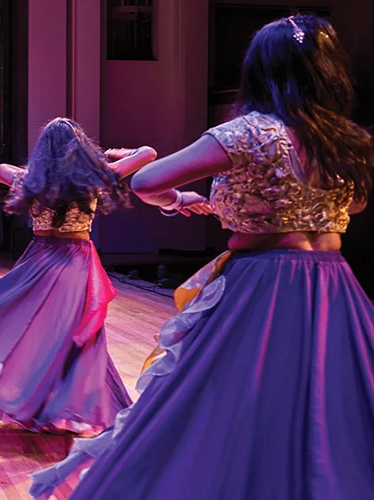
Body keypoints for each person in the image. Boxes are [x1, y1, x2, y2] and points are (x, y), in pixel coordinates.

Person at [30, 15, 374, 499]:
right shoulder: (348, 140)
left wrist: (183, 201)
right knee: (332, 403)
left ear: (260, 71)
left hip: (266, 285)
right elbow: (354, 205)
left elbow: (149, 181)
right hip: (334, 285)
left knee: (224, 400)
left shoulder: (248, 132)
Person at [0, 118, 157, 435]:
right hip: (72, 263)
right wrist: (110, 154)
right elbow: (148, 153)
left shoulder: (29, 180)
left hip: (38, 259)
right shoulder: (92, 178)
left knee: (25, 327)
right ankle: (66, 405)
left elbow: (0, 170)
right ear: (79, 150)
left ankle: (42, 402)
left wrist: (38, 167)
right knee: (75, 335)